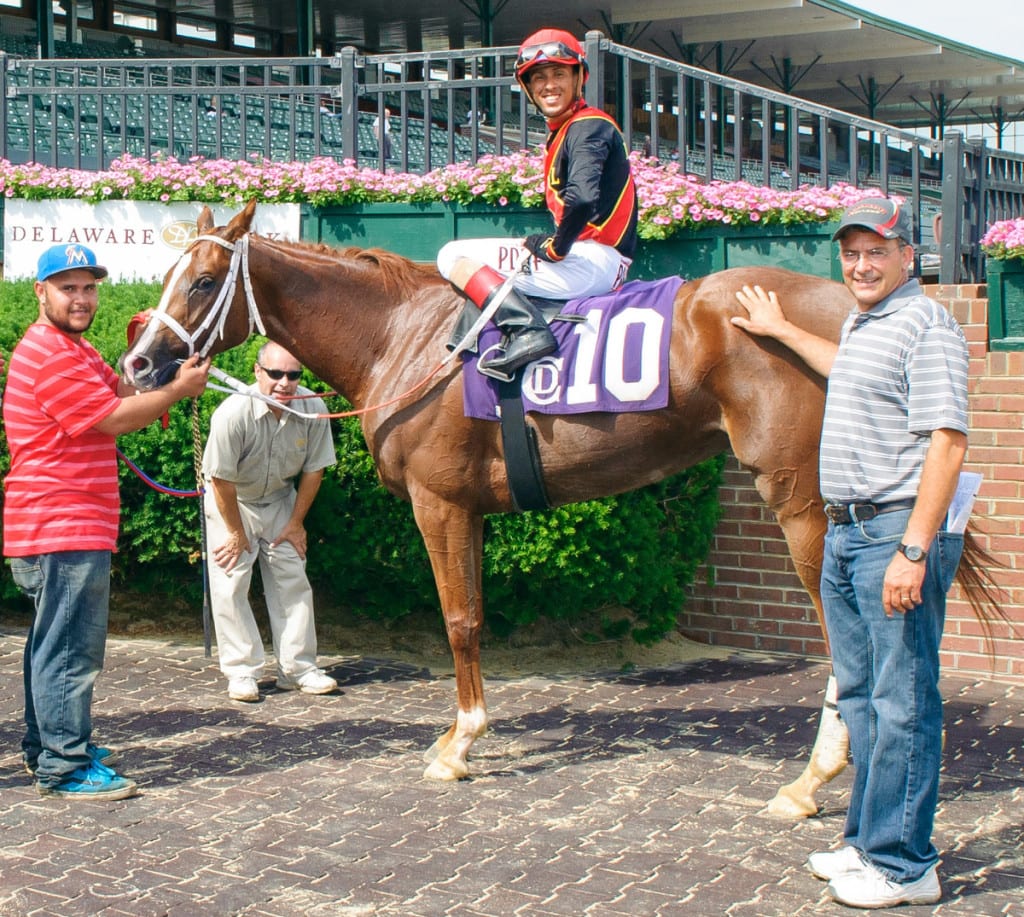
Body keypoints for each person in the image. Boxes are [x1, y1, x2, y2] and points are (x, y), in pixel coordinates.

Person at [731, 198, 969, 909]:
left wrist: (914, 549)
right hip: (847, 533)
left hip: (893, 536)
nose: (861, 265)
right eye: (852, 252)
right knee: (862, 699)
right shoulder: (871, 320)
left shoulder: (926, 324)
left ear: (907, 257)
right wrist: (780, 329)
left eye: (877, 251)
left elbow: (948, 441)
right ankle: (868, 842)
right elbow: (851, 370)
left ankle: (907, 865)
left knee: (903, 703)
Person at [4, 244, 210, 800]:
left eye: (88, 287)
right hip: (60, 522)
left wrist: (161, 359)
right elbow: (111, 418)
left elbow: (121, 388)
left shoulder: (75, 350)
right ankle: (65, 766)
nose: (81, 298)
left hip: (65, 522)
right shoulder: (50, 353)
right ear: (40, 292)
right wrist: (179, 391)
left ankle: (48, 747)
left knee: (53, 646)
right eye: (67, 287)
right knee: (70, 649)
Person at [436, 28, 638, 380]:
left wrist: (557, 248)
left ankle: (527, 331)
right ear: (528, 88)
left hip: (590, 261)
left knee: (451, 256)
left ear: (580, 77)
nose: (549, 85)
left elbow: (583, 198)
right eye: (539, 77)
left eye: (559, 73)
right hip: (601, 261)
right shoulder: (570, 128)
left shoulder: (587, 126)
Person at [202, 341, 338, 703]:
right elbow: (220, 481)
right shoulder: (232, 414)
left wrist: (296, 522)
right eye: (276, 374)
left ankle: (298, 669)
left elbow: (314, 469)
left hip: (280, 499)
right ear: (257, 372)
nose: (285, 383)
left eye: (293, 375)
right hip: (233, 501)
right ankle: (242, 671)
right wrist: (234, 532)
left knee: (292, 577)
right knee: (231, 582)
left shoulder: (313, 407)